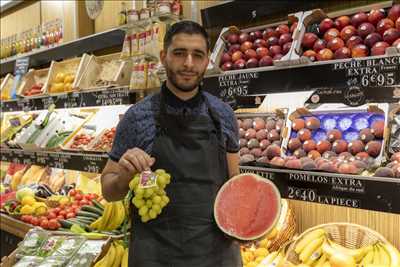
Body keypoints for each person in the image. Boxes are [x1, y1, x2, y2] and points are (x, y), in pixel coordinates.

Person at [101, 20, 242, 267]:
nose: (188, 63)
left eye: (197, 55)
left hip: (217, 255)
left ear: (207, 60)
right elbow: (109, 190)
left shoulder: (223, 115)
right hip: (155, 256)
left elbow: (235, 186)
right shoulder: (137, 117)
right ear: (164, 56)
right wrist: (124, 176)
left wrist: (248, 221)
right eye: (179, 53)